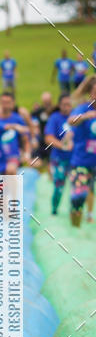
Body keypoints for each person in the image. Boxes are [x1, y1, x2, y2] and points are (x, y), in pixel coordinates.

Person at [67, 76, 96, 226]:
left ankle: (90, 215)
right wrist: (85, 116)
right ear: (91, 94)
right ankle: (75, 227)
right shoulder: (84, 109)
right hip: (81, 161)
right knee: (79, 195)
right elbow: (71, 120)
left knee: (90, 191)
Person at [44, 95, 74, 214]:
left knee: (76, 187)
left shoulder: (76, 117)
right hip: (59, 158)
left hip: (76, 159)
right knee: (59, 187)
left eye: (69, 104)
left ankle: (75, 212)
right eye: (64, 105)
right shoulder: (55, 118)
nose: (67, 107)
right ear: (59, 105)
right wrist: (63, 146)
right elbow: (48, 137)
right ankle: (54, 209)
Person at [0, 91, 31, 171]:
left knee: (11, 170)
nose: (5, 105)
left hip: (13, 156)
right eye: (3, 102)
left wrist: (27, 154)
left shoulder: (17, 119)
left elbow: (25, 139)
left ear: (13, 103)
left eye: (8, 102)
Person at [30, 92, 54, 172]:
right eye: (45, 102)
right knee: (34, 163)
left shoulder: (55, 112)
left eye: (48, 102)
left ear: (51, 101)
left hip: (52, 141)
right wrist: (34, 136)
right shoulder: (39, 111)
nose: (47, 104)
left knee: (52, 167)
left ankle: (49, 164)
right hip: (41, 141)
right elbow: (32, 121)